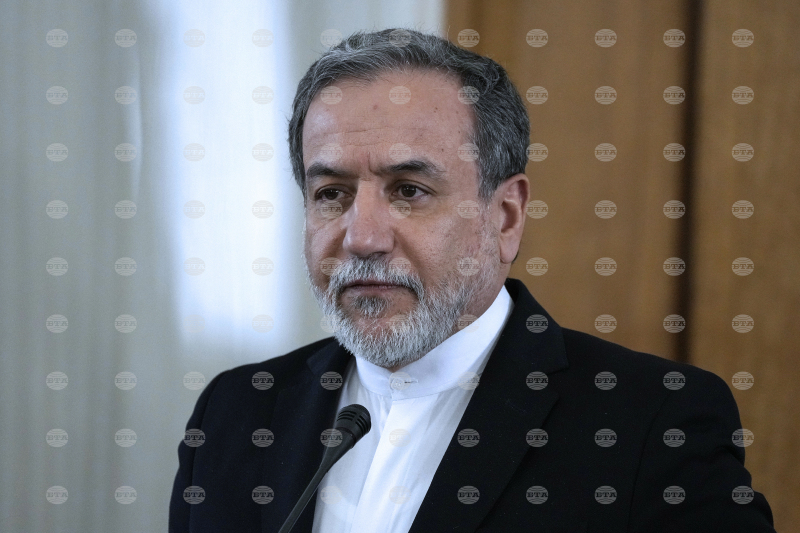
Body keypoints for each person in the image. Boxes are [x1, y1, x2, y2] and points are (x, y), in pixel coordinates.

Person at [169, 29, 775, 532]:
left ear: (505, 217)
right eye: (331, 193)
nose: (362, 237)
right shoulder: (236, 411)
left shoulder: (652, 424)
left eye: (409, 191)